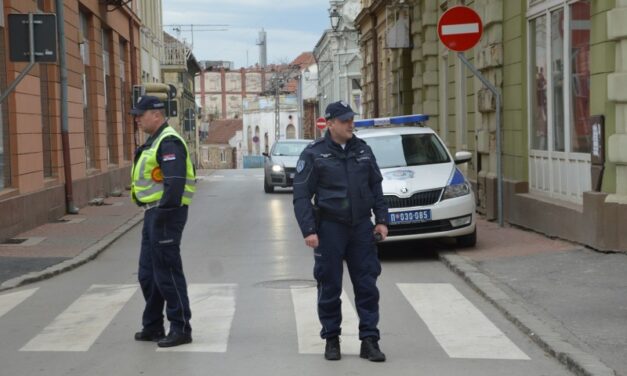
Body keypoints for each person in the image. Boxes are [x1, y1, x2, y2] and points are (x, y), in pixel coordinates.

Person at [293, 100, 389, 362]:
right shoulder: (314, 154)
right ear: (330, 123)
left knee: (367, 284)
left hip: (360, 228)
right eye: (345, 120)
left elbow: (376, 187)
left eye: (351, 119)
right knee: (329, 285)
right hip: (329, 229)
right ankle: (332, 339)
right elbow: (301, 195)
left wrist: (381, 220)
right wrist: (309, 230)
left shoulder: (364, 151)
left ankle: (369, 340)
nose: (350, 124)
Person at [130, 95, 196, 348]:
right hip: (153, 213)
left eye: (141, 114)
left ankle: (180, 327)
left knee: (167, 272)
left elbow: (175, 182)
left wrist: (164, 212)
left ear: (156, 114)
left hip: (166, 213)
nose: (137, 118)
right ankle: (153, 325)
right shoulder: (154, 141)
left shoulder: (168, 142)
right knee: (148, 274)